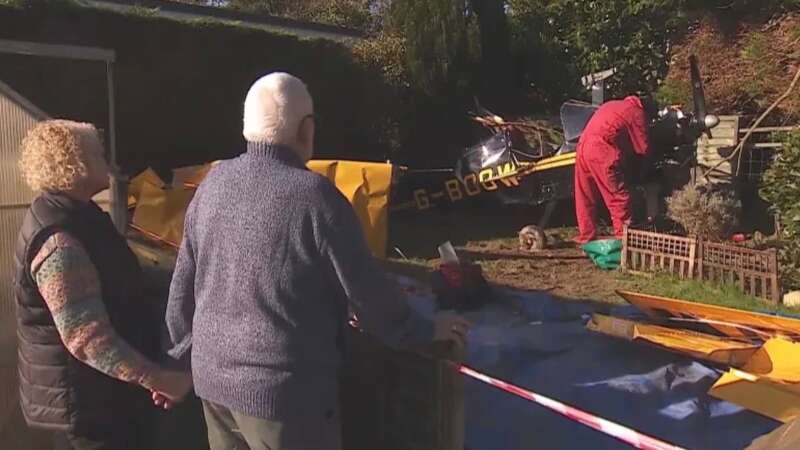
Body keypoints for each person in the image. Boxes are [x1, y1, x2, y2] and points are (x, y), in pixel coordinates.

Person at [163, 72, 471, 450]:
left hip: (213, 383)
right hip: (285, 400)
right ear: (306, 128)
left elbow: (182, 289)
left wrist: (178, 357)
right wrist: (423, 329)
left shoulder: (212, 184)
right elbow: (367, 292)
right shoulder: (315, 197)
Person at [14, 120, 193, 450]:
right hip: (91, 413)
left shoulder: (81, 213)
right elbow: (88, 338)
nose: (108, 160)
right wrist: (159, 378)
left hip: (109, 399)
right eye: (97, 153)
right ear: (73, 164)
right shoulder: (59, 240)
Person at [573, 95, 657, 244]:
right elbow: (644, 149)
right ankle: (622, 240)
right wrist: (646, 174)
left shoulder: (612, 104)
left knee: (585, 195)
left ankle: (586, 237)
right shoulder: (637, 112)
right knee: (619, 197)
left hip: (582, 147)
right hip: (601, 150)